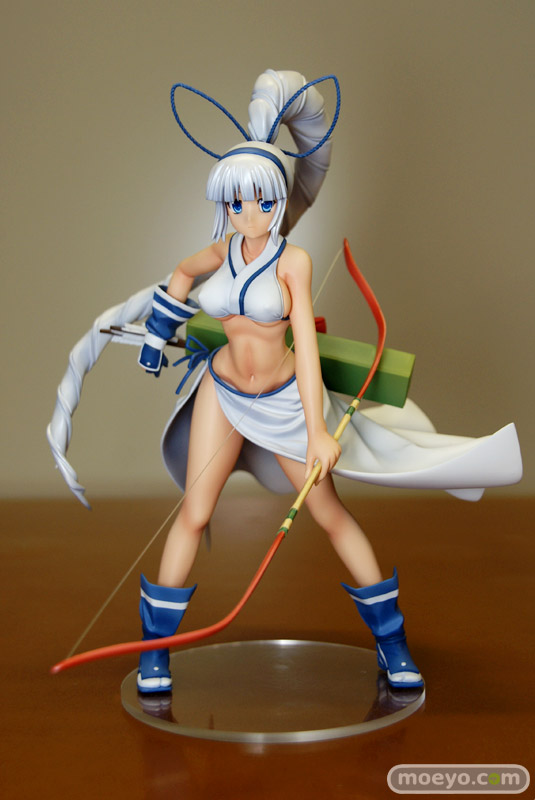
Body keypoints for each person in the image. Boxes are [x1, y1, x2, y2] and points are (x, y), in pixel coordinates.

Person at [46, 70, 522, 694]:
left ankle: (392, 644)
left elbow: (304, 350)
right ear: (225, 202)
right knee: (194, 513)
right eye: (237, 203)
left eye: (263, 202)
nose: (250, 214)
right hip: (222, 392)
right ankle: (156, 651)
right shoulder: (218, 252)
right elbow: (181, 276)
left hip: (284, 402)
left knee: (329, 513)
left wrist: (318, 430)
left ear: (277, 199)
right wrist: (157, 337)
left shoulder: (293, 261)